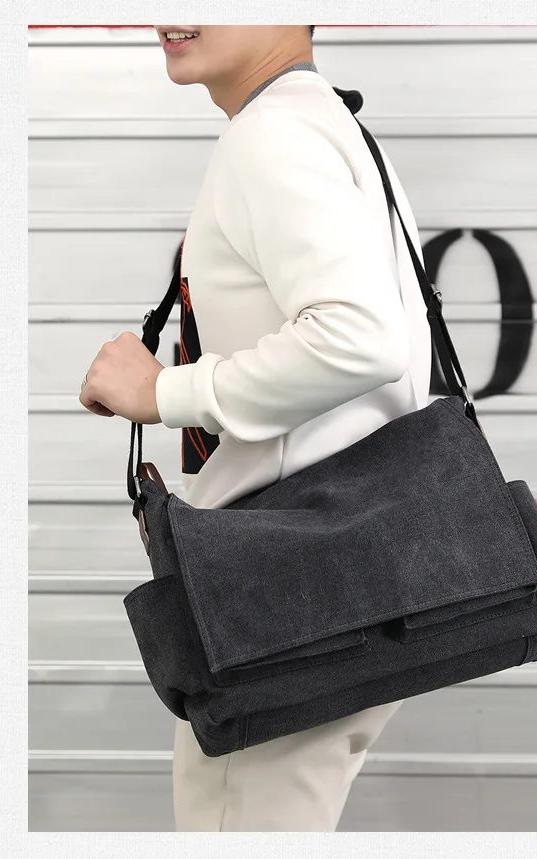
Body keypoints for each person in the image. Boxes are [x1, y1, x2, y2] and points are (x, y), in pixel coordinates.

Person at [80, 24, 432, 832]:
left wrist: (164, 389)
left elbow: (360, 338)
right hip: (362, 579)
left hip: (284, 608)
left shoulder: (272, 134)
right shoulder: (331, 123)